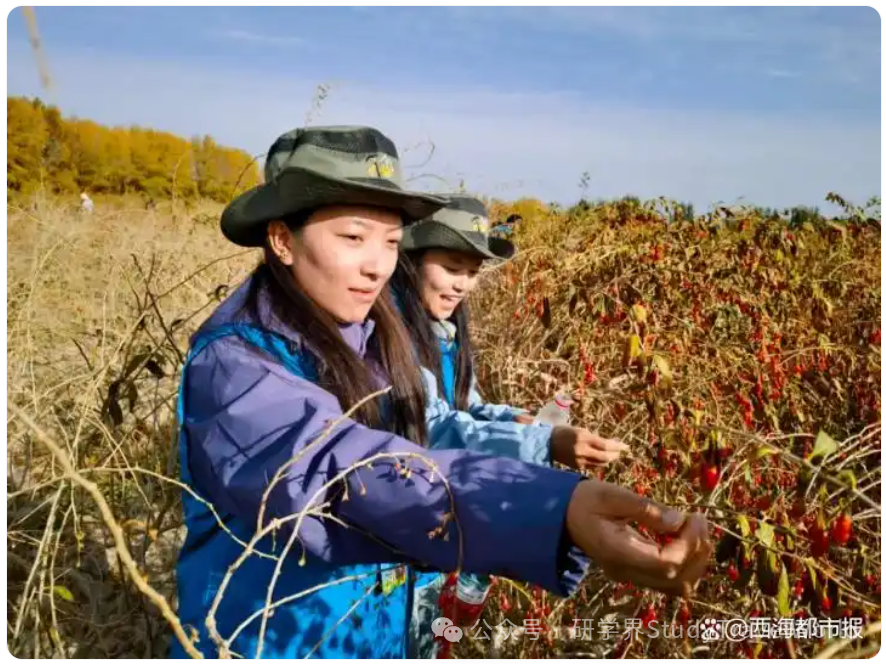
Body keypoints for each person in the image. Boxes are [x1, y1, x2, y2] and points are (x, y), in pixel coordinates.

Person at [171, 125, 711, 659]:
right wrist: (550, 510)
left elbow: (426, 424)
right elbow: (342, 471)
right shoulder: (235, 366)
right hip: (274, 641)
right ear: (283, 239)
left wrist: (542, 453)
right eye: (353, 238)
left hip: (372, 634)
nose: (377, 265)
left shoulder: (370, 337)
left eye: (389, 241)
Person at [392, 195, 629, 657]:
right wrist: (544, 444)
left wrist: (516, 420)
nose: (463, 284)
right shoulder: (389, 332)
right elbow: (434, 427)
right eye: (452, 266)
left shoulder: (447, 331)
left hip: (433, 518)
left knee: (429, 633)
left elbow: (469, 405)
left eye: (472, 272)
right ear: (412, 259)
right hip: (403, 517)